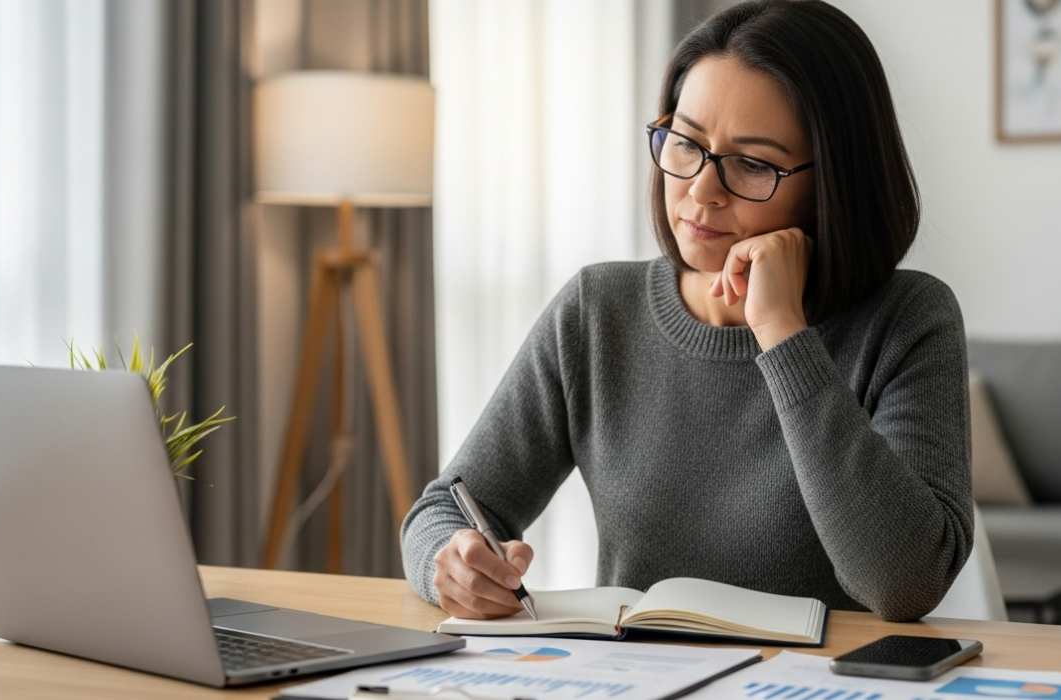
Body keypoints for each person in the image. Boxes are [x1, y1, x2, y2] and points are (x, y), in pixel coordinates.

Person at [401, 0, 973, 623]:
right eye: (686, 143)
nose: (701, 192)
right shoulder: (597, 311)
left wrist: (783, 334)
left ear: (834, 180)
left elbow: (905, 584)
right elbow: (442, 511)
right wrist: (449, 564)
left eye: (752, 164)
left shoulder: (909, 319)